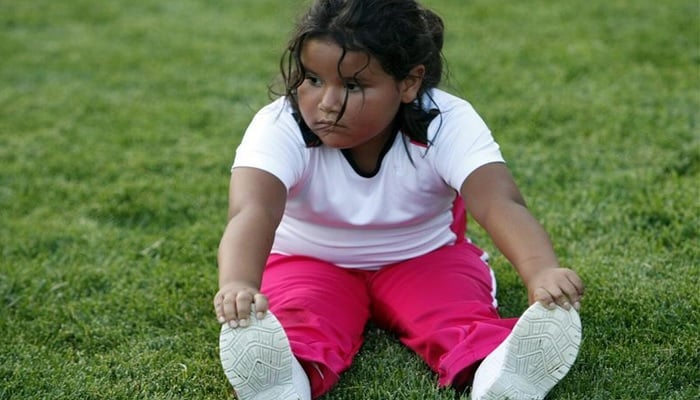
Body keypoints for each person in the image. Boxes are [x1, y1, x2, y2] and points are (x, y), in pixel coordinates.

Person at [213, 0, 586, 399]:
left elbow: (499, 203)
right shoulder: (279, 124)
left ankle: (497, 374)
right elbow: (253, 210)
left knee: (455, 317)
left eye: (352, 85)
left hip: (424, 257)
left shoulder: (445, 120)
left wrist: (542, 271)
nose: (326, 103)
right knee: (299, 322)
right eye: (312, 79)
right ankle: (284, 378)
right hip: (308, 261)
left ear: (409, 83)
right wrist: (239, 282)